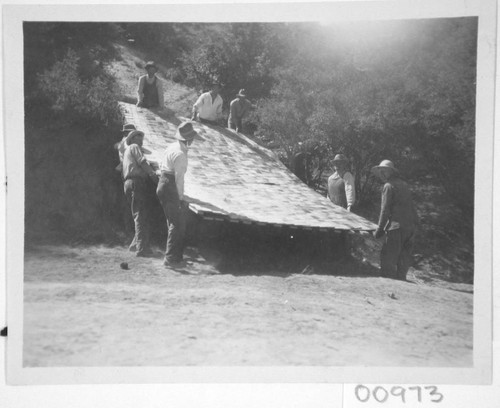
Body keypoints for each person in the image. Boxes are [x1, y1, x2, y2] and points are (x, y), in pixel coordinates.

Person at [156, 122, 198, 266]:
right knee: (177, 223)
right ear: (189, 139)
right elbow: (179, 179)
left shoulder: (172, 147)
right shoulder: (181, 154)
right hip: (170, 185)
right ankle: (170, 259)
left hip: (163, 182)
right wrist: (180, 198)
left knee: (173, 222)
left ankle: (176, 257)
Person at [371, 160, 419, 281]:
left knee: (388, 261)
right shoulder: (404, 185)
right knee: (403, 262)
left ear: (391, 172)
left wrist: (380, 229)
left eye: (384, 171)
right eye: (380, 171)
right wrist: (415, 226)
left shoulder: (388, 186)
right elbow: (412, 207)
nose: (382, 173)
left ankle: (388, 289)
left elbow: (385, 210)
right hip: (410, 227)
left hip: (396, 228)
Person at [122, 130, 158, 257]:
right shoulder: (134, 147)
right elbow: (142, 162)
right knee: (141, 215)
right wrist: (153, 175)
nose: (141, 139)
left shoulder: (127, 151)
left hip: (128, 183)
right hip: (137, 182)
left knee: (138, 213)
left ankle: (134, 245)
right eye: (139, 137)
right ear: (132, 139)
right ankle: (142, 249)